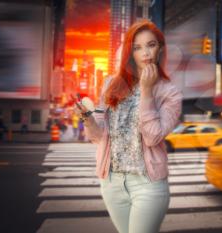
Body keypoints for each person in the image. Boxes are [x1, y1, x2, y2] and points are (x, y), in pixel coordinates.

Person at [74, 20, 182, 233]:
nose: (145, 53)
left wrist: (147, 91)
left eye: (151, 45)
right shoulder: (111, 85)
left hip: (148, 185)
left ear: (160, 48)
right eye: (137, 47)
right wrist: (87, 118)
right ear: (129, 53)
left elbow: (152, 138)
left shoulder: (171, 93)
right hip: (112, 182)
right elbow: (99, 137)